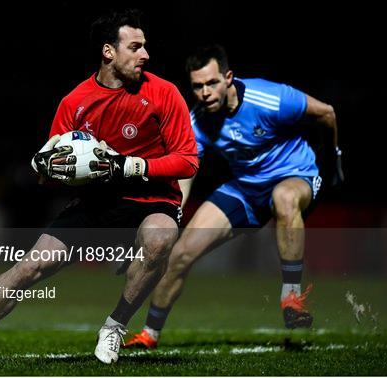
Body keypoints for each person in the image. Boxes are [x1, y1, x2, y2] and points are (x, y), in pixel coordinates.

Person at [0, 9, 198, 365]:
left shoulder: (164, 93)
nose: (145, 55)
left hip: (152, 199)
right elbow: (52, 170)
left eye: (145, 46)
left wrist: (130, 165)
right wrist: (44, 166)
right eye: (135, 47)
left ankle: (114, 326)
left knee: (161, 237)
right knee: (29, 269)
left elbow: (188, 160)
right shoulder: (76, 102)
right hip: (96, 203)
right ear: (108, 52)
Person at [125, 44, 343, 349]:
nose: (205, 93)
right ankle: (149, 334)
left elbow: (327, 113)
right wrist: (173, 214)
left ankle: (291, 295)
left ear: (228, 77)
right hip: (247, 187)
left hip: (295, 176)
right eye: (197, 86)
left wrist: (332, 159)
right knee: (181, 253)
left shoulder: (271, 99)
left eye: (211, 83)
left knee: (283, 198)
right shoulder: (197, 121)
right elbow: (187, 172)